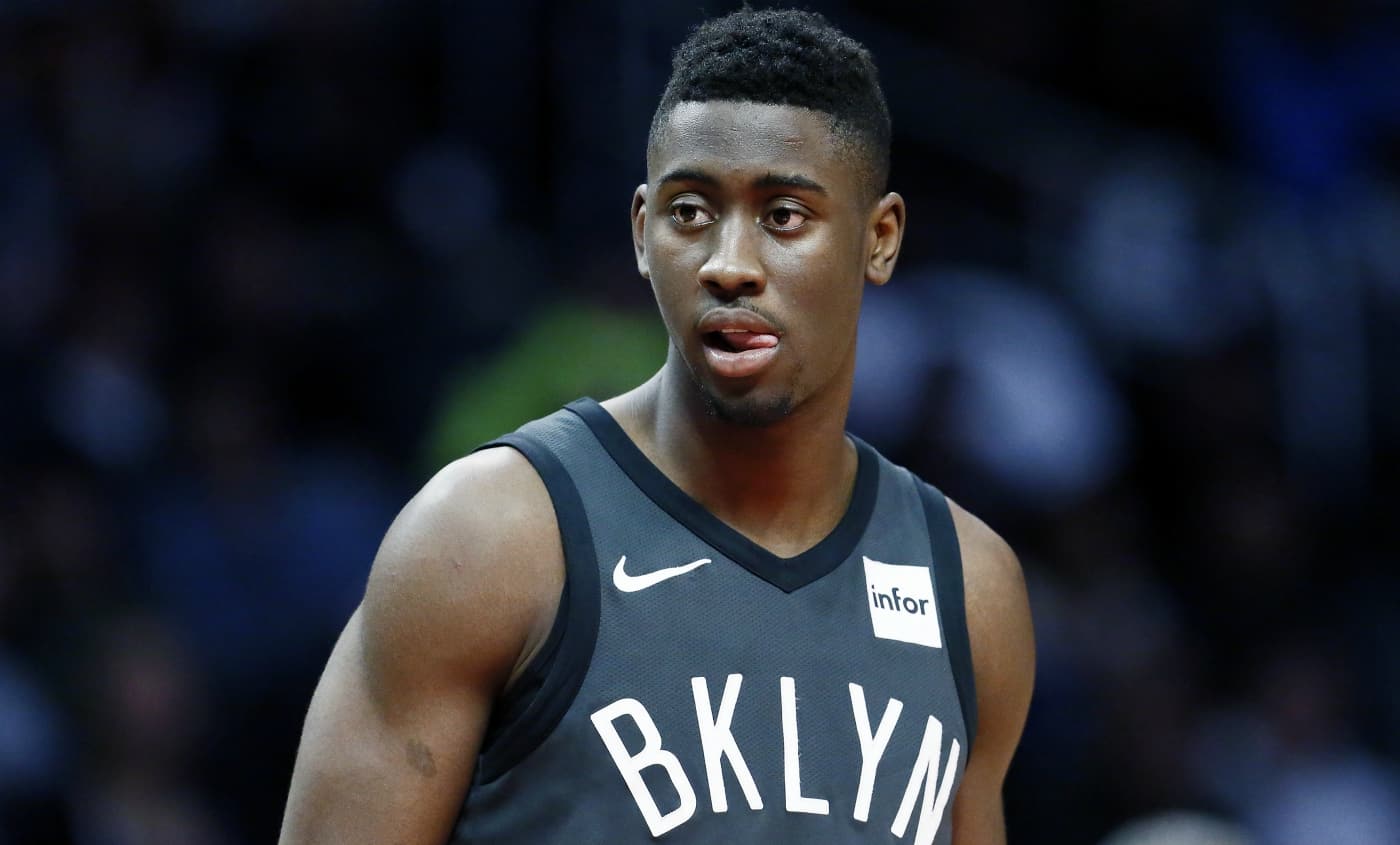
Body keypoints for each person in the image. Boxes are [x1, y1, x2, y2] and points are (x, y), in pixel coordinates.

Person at [279, 8, 1034, 844]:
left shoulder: (969, 586)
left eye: (784, 215)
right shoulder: (489, 537)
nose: (729, 265)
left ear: (879, 239)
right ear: (642, 234)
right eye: (691, 212)